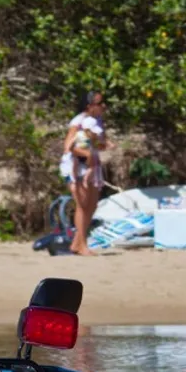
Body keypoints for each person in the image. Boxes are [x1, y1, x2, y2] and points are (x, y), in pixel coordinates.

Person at [58, 91, 110, 256]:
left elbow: (98, 144)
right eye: (100, 103)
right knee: (82, 205)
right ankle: (82, 244)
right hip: (77, 167)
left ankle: (77, 242)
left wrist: (101, 145)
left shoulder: (98, 121)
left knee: (92, 204)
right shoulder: (78, 122)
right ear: (89, 106)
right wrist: (86, 154)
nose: (104, 106)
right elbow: (68, 147)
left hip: (92, 166)